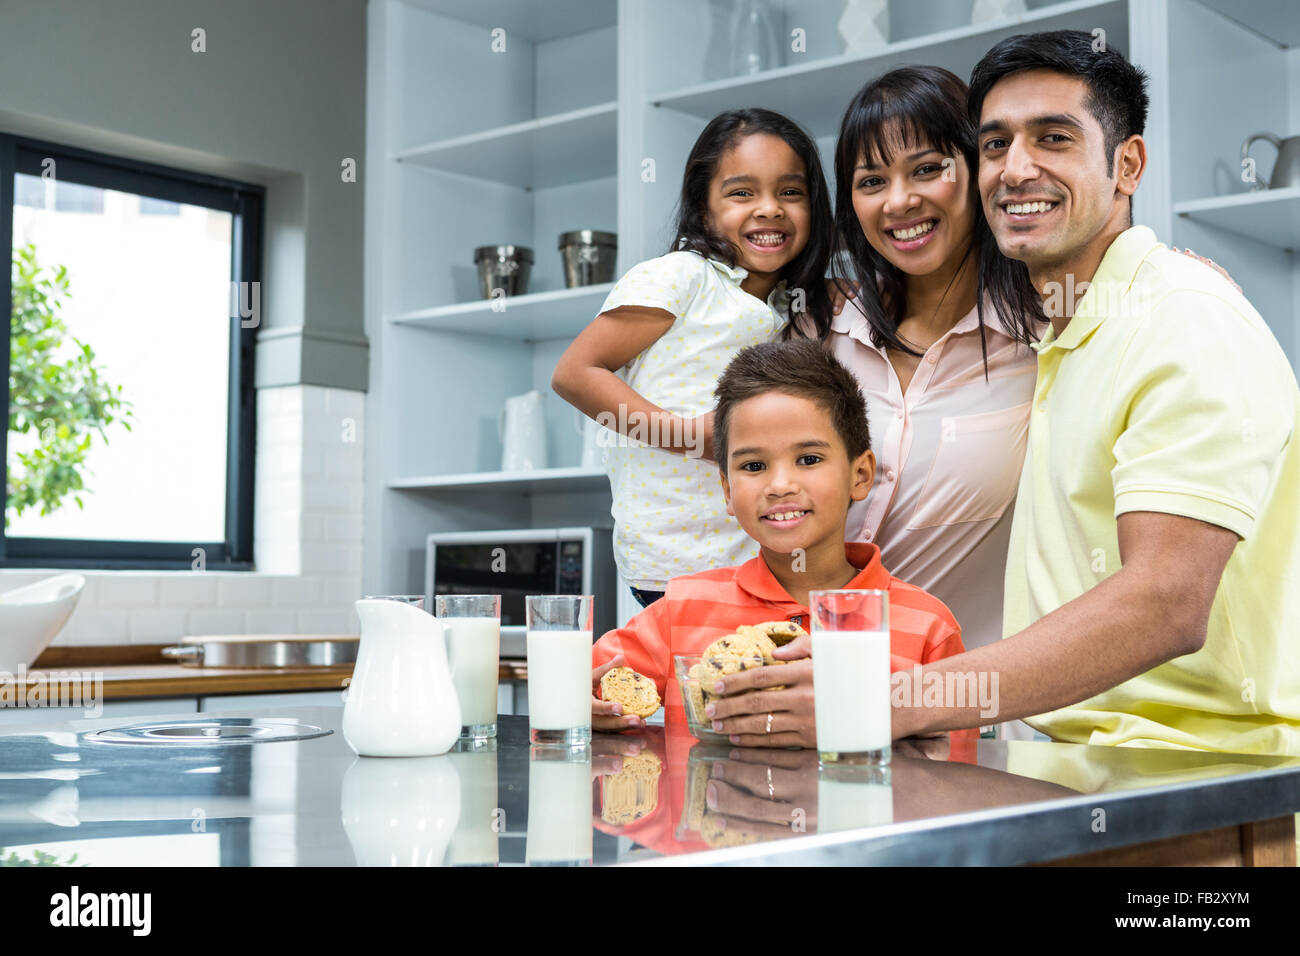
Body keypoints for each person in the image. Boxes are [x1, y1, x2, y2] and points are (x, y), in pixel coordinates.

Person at [866, 30, 1300, 754]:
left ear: (1127, 163)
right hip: (1070, 766)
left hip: (1192, 779)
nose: (1015, 169)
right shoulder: (1063, 328)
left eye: (1055, 138)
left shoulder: (1183, 317)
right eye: (996, 144)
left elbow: (1166, 601)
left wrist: (889, 703)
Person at [589, 338, 966, 745]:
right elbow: (585, 684)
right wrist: (579, 703)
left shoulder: (929, 626)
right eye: (754, 465)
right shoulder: (680, 609)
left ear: (860, 474)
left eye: (808, 459)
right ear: (728, 491)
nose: (779, 485)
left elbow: (962, 767)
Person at [551, 109, 837, 609]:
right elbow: (576, 373)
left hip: (751, 555)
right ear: (704, 210)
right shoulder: (681, 276)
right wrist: (687, 437)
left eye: (790, 192)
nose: (770, 209)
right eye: (742, 193)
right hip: (675, 558)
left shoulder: (788, 306)